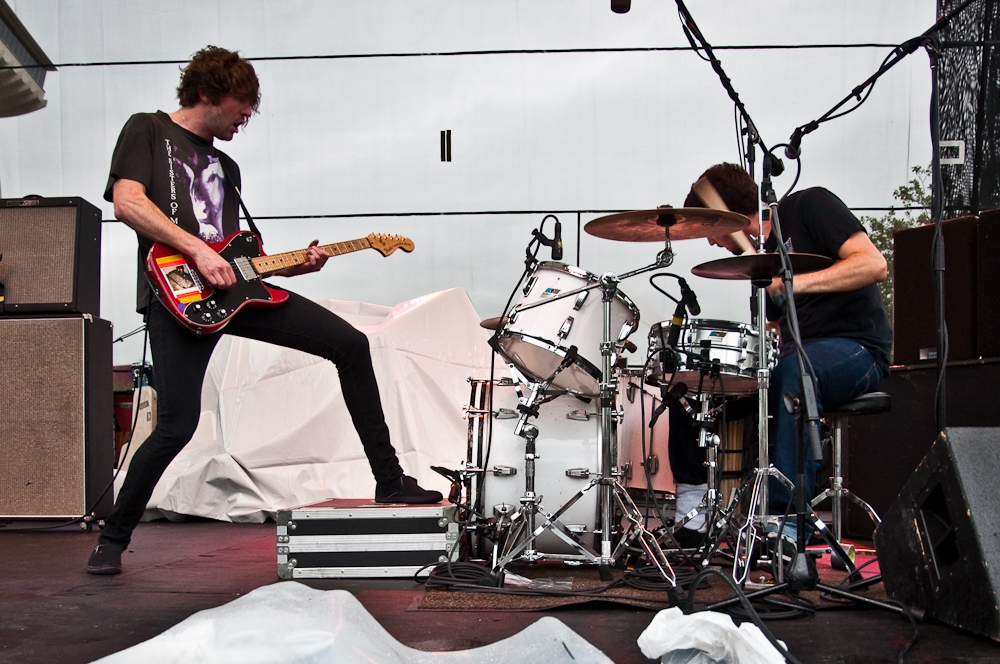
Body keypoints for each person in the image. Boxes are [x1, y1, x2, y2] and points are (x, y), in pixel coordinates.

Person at [88, 46, 441, 575]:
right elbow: (128, 203)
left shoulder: (226, 166)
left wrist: (292, 266)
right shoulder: (147, 129)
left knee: (351, 344)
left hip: (233, 292)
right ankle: (113, 539)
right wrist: (198, 251)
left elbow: (238, 257)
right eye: (242, 103)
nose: (247, 115)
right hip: (177, 294)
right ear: (206, 92)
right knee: (177, 426)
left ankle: (390, 480)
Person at [680, 162, 891, 529]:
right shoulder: (758, 260)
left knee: (794, 373)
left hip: (856, 349)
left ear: (726, 214)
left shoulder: (809, 206)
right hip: (794, 355)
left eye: (709, 229)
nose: (711, 241)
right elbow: (778, 325)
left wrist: (793, 284)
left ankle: (787, 522)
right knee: (693, 384)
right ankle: (692, 510)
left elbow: (873, 264)